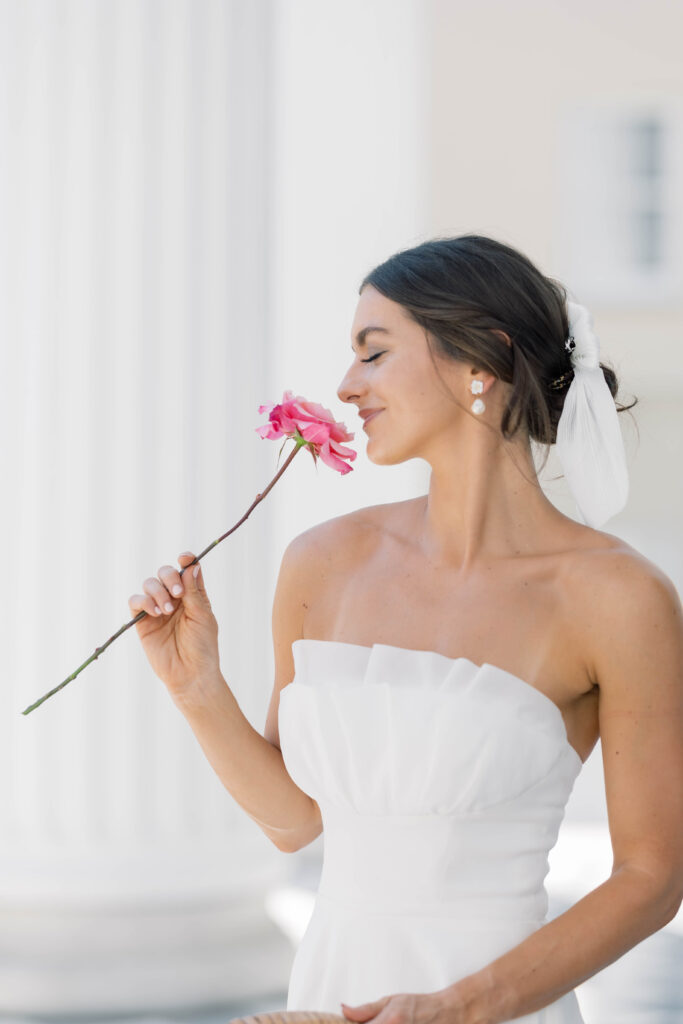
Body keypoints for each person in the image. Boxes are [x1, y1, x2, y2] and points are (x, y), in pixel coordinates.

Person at [128, 235, 683, 1024]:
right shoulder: (324, 562)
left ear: (479, 360)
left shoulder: (618, 597)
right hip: (332, 986)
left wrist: (455, 1009)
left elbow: (652, 878)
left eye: (373, 353)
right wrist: (194, 685)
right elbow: (296, 823)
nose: (346, 386)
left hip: (496, 1002)